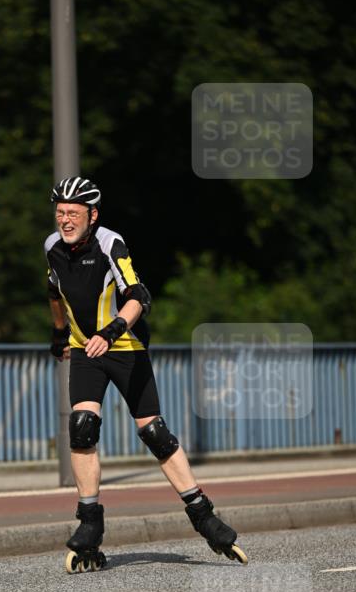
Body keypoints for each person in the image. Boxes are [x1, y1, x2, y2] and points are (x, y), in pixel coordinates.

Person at [45, 175, 246, 569]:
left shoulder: (110, 243)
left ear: (92, 215)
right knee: (82, 426)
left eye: (73, 213)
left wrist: (112, 330)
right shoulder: (52, 247)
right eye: (60, 213)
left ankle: (204, 516)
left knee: (153, 432)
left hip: (125, 348)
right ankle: (89, 525)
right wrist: (58, 334)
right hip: (86, 349)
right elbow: (54, 292)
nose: (65, 220)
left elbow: (138, 295)